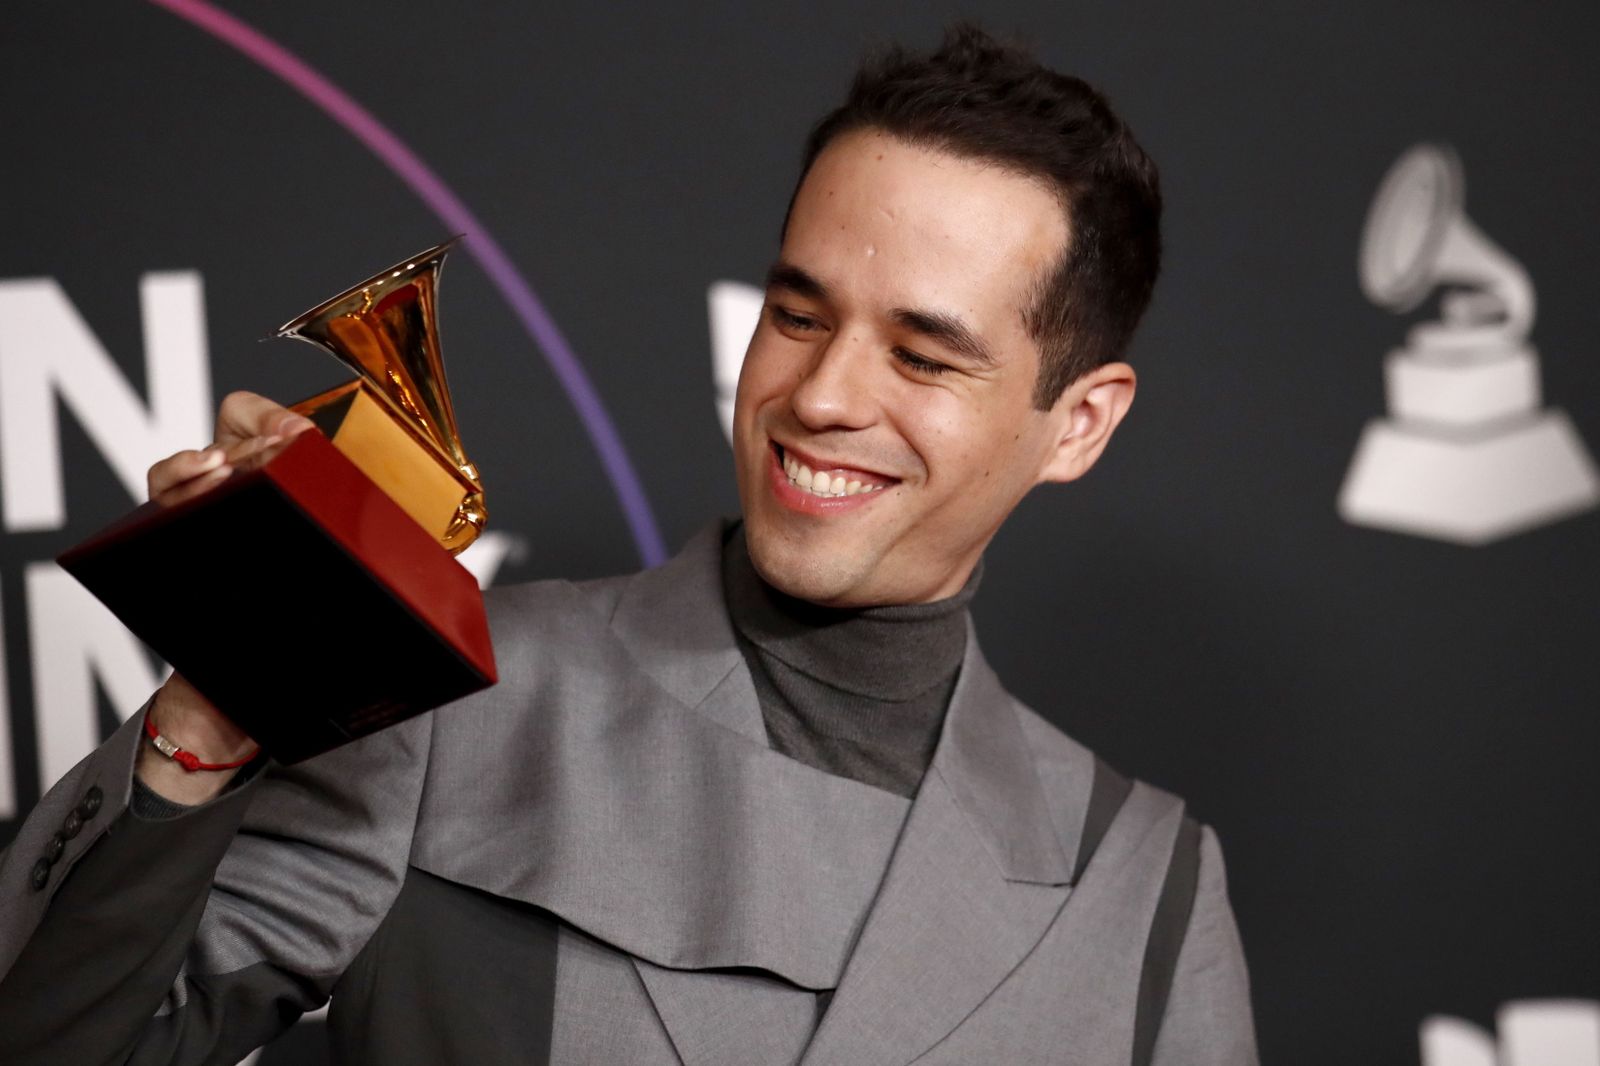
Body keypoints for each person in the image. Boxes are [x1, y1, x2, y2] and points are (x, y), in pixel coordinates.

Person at [0, 23, 1257, 1065]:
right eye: (796, 315)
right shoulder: (458, 703)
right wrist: (221, 706)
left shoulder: (1144, 886)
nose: (821, 395)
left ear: (1077, 423)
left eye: (923, 357)